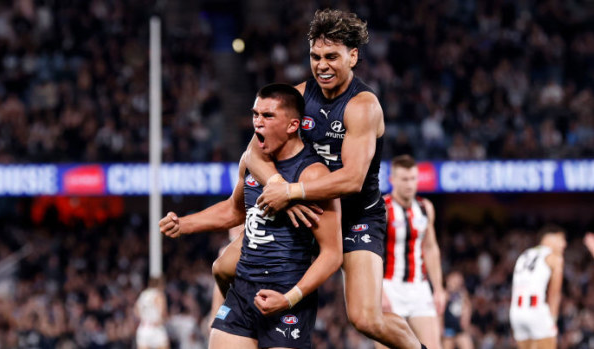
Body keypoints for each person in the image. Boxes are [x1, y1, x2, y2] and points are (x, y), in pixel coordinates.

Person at [214, 8, 424, 349]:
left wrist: (293, 190)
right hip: (311, 213)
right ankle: (248, 327)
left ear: (353, 56)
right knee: (224, 267)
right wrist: (277, 187)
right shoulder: (298, 96)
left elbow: (352, 179)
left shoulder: (362, 106)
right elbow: (253, 153)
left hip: (357, 218)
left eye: (331, 56)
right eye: (315, 56)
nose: (321, 65)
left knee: (366, 319)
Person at [160, 83, 343, 349]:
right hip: (244, 289)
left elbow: (332, 253)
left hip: (285, 296)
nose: (258, 123)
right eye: (255, 114)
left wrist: (289, 298)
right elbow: (234, 210)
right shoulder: (252, 161)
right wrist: (184, 223)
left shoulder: (313, 175)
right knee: (221, 267)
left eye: (268, 116)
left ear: (293, 125)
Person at [378, 155, 445, 349]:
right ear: (392, 180)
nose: (409, 184)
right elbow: (372, 253)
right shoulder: (383, 208)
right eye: (404, 179)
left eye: (413, 178)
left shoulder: (425, 208)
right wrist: (379, 292)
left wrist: (438, 288)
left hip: (419, 287)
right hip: (389, 286)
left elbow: (431, 248)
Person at [509, 225, 566, 349]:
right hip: (536, 310)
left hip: (516, 312)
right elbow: (554, 293)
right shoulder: (555, 257)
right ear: (551, 237)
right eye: (562, 239)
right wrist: (553, 319)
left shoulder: (524, 255)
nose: (564, 244)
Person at [134, 277, 170, 349]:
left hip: (143, 328)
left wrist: (145, 318)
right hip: (156, 328)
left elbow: (136, 311)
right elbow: (163, 313)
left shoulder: (143, 294)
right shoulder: (159, 295)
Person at [442, 271, 474, 349]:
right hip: (448, 326)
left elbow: (467, 306)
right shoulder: (445, 293)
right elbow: (440, 311)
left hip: (460, 327)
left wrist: (466, 318)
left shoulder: (462, 293)